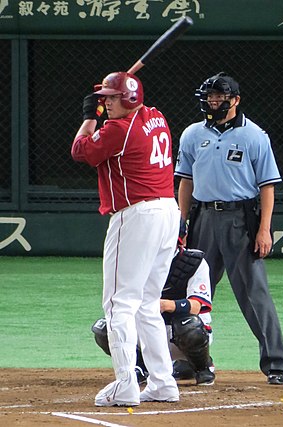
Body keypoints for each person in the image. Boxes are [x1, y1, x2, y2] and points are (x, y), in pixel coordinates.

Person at [71, 71, 181, 406]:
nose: (105, 101)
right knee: (147, 304)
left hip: (136, 215)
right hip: (167, 211)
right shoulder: (156, 116)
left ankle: (126, 384)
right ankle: (162, 383)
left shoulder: (118, 129)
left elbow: (80, 151)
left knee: (119, 304)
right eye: (103, 97)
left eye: (111, 97)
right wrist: (111, 100)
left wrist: (90, 118)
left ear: (129, 99)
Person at [174, 72, 283, 385]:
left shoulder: (254, 136)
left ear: (234, 100)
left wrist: (264, 230)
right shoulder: (193, 134)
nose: (213, 100)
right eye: (209, 96)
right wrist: (179, 222)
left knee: (254, 293)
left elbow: (267, 187)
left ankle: (275, 363)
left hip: (241, 220)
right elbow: (186, 180)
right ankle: (187, 361)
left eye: (219, 96)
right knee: (188, 290)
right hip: (203, 218)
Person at [92, 240, 215, 387]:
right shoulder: (136, 262)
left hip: (178, 336)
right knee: (105, 328)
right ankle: (140, 366)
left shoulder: (194, 263)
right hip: (145, 333)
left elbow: (196, 306)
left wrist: (165, 305)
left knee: (189, 326)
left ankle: (201, 366)